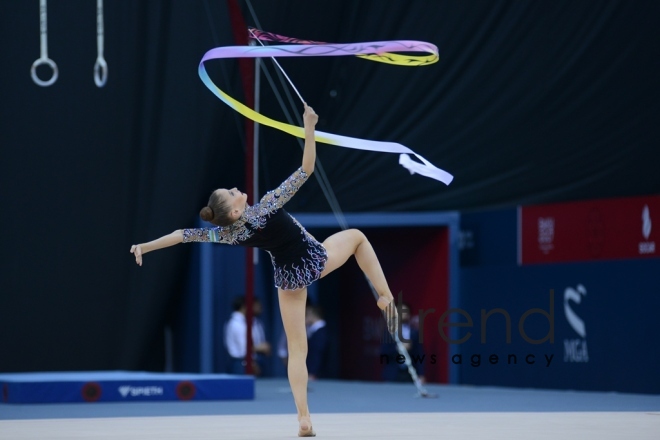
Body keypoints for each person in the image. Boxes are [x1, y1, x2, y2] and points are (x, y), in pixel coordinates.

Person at [130, 103, 397, 437]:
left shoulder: (226, 234)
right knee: (357, 237)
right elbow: (307, 167)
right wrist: (309, 126)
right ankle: (384, 296)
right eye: (231, 192)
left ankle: (304, 417)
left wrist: (144, 246)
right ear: (237, 206)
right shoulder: (268, 205)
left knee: (298, 350)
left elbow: (181, 236)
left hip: (288, 280)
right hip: (316, 260)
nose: (235, 189)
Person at [224, 296, 271, 376]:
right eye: (255, 305)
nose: (260, 308)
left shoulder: (251, 321)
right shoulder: (236, 324)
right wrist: (252, 364)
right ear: (245, 306)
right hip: (242, 364)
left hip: (251, 360)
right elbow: (244, 348)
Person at [380, 302, 426, 383]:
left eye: (405, 311)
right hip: (392, 374)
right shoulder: (389, 332)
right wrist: (399, 349)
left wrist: (421, 374)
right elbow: (383, 352)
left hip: (410, 374)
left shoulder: (415, 333)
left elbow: (420, 355)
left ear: (409, 314)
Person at [305, 304, 328, 381]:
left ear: (312, 314)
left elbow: (317, 354)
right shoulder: (314, 331)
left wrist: (312, 373)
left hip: (317, 376)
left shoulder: (321, 333)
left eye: (306, 314)